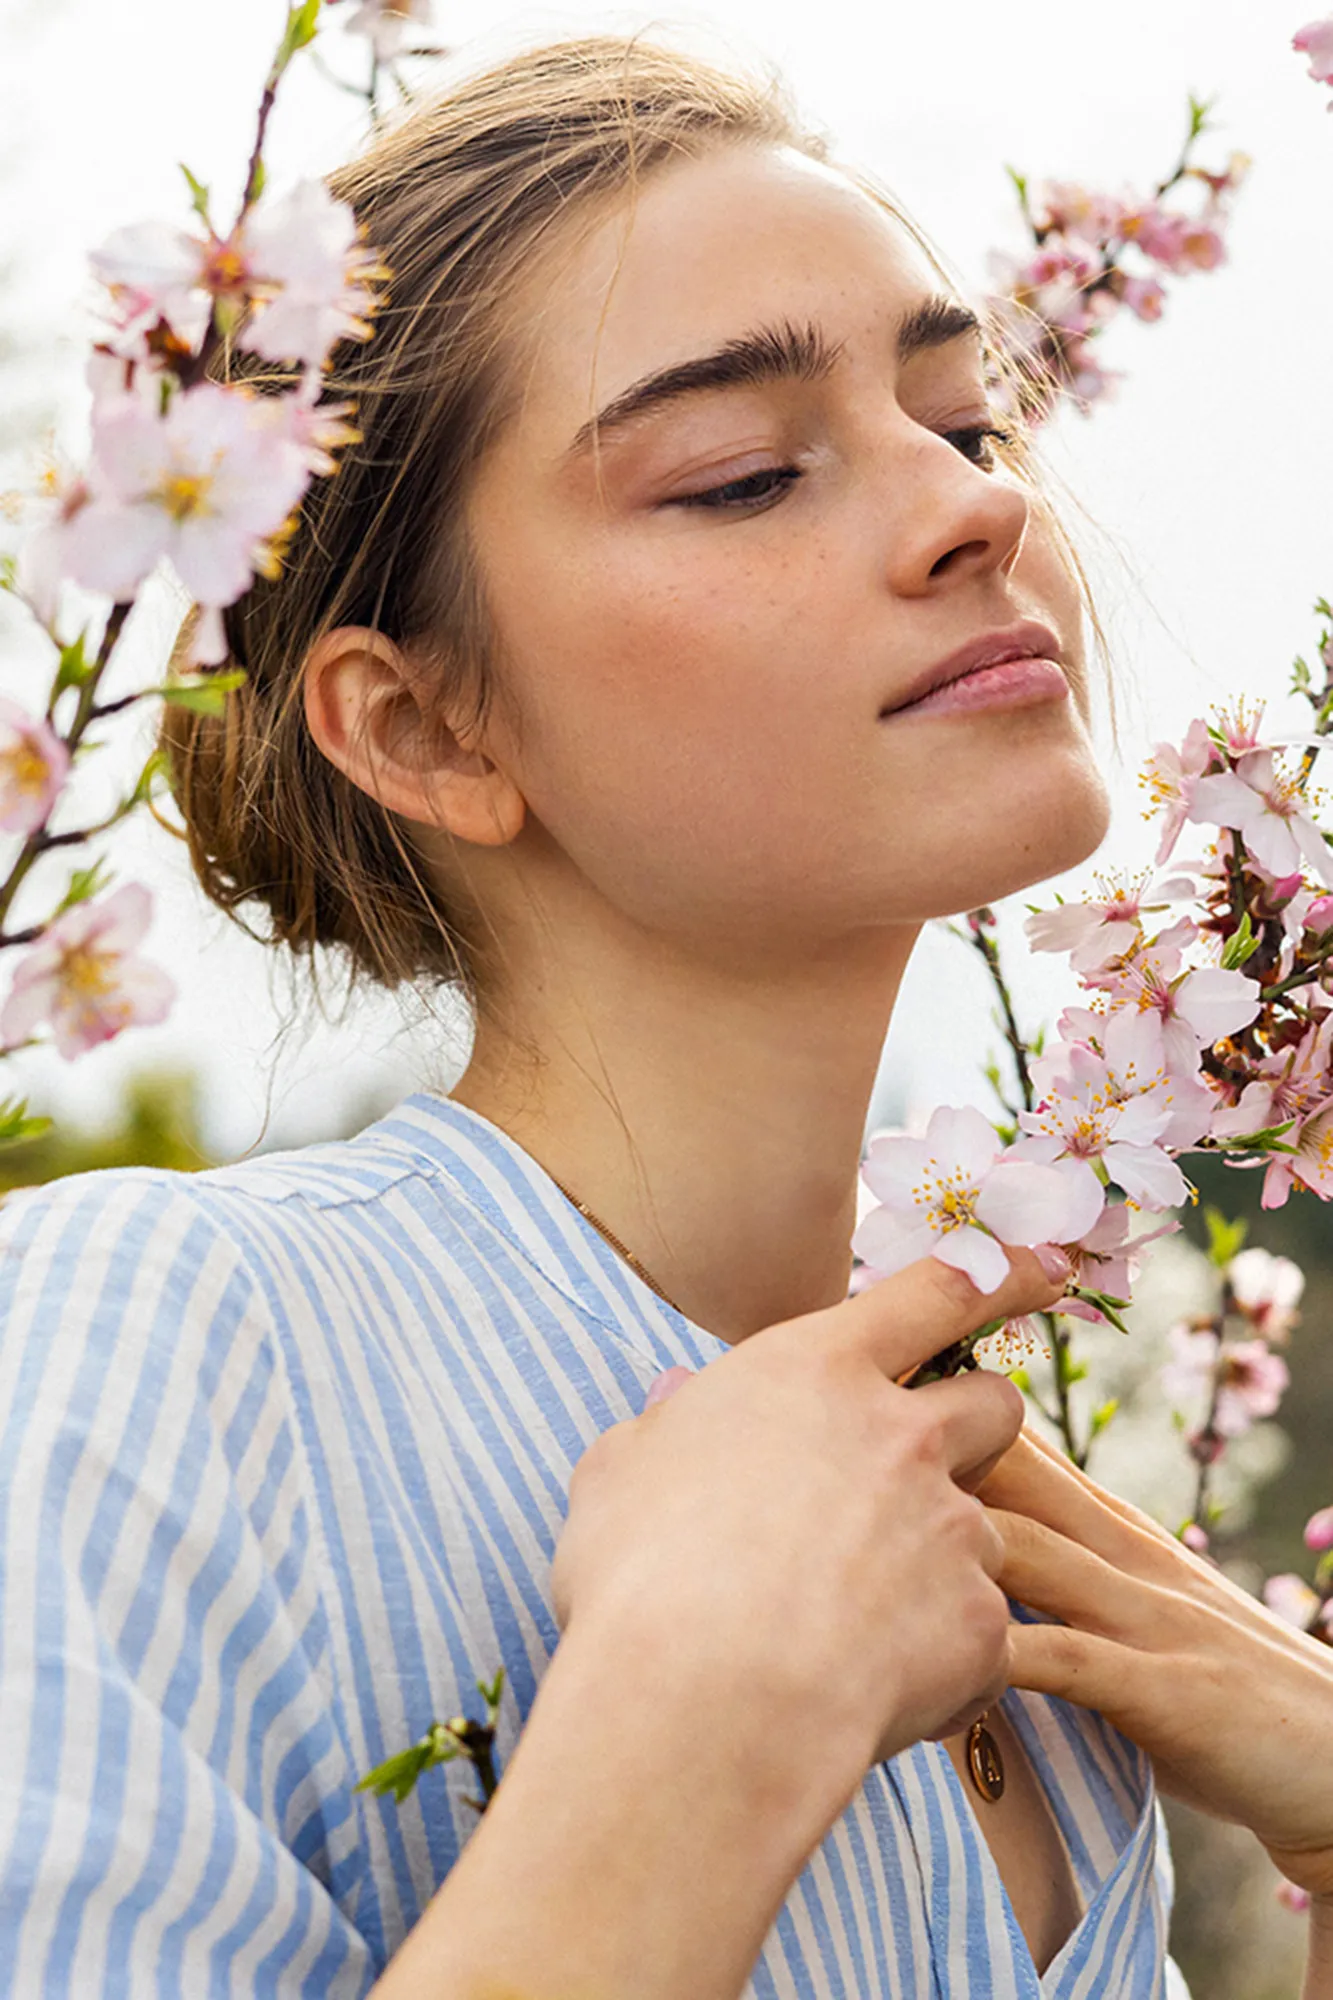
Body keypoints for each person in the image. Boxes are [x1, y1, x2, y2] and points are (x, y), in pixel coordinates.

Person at [1, 32, 1330, 2000]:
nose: (972, 512)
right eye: (741, 475)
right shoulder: (141, 1340)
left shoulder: (1017, 1546)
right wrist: (693, 1742)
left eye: (968, 423)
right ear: (425, 722)